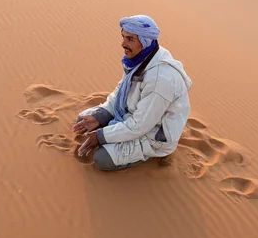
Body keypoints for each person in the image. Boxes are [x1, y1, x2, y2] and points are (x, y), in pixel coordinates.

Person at [73, 15, 192, 171]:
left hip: (153, 135)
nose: (123, 44)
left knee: (102, 159)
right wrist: (101, 115)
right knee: (82, 121)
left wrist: (100, 136)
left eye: (130, 39)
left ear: (144, 41)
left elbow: (139, 126)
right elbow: (121, 90)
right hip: (134, 114)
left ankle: (151, 155)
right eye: (123, 37)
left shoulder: (160, 80)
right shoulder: (142, 57)